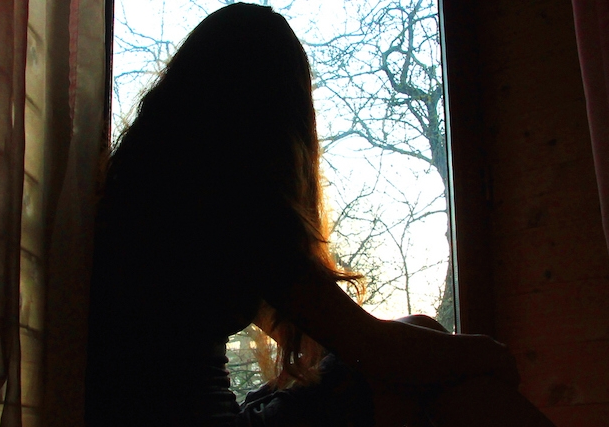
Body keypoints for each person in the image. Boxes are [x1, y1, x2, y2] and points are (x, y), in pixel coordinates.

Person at [85, 4, 555, 426]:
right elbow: (378, 351)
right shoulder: (241, 207)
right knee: (437, 373)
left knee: (419, 354)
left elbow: (329, 335)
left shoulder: (144, 186)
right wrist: (484, 353)